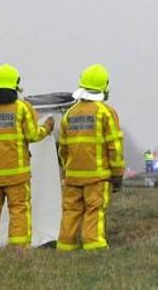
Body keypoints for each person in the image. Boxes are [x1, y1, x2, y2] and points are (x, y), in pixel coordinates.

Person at [0, 64, 55, 248]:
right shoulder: (22, 108)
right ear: (16, 84)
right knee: (19, 210)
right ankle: (19, 251)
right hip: (17, 175)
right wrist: (47, 128)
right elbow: (32, 135)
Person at [57, 64, 124, 252]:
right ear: (104, 86)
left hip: (72, 176)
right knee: (95, 210)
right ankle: (94, 246)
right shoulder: (105, 113)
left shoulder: (69, 113)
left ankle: (65, 246)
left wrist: (66, 170)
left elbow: (63, 148)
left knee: (71, 211)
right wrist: (117, 174)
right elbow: (115, 147)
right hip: (97, 176)